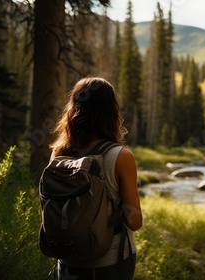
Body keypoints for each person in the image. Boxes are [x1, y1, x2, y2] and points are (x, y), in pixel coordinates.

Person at [49, 77, 143, 280]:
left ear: (73, 108)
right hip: (109, 262)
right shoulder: (121, 156)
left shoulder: (58, 154)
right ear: (111, 112)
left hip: (66, 261)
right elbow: (134, 221)